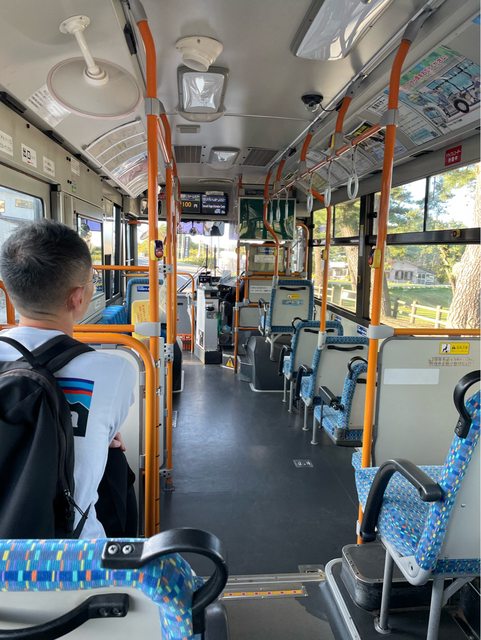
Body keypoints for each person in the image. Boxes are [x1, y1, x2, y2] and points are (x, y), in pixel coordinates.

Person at [0, 219, 137, 538]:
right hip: (69, 557)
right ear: (77, 297)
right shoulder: (115, 370)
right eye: (92, 280)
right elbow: (105, 435)